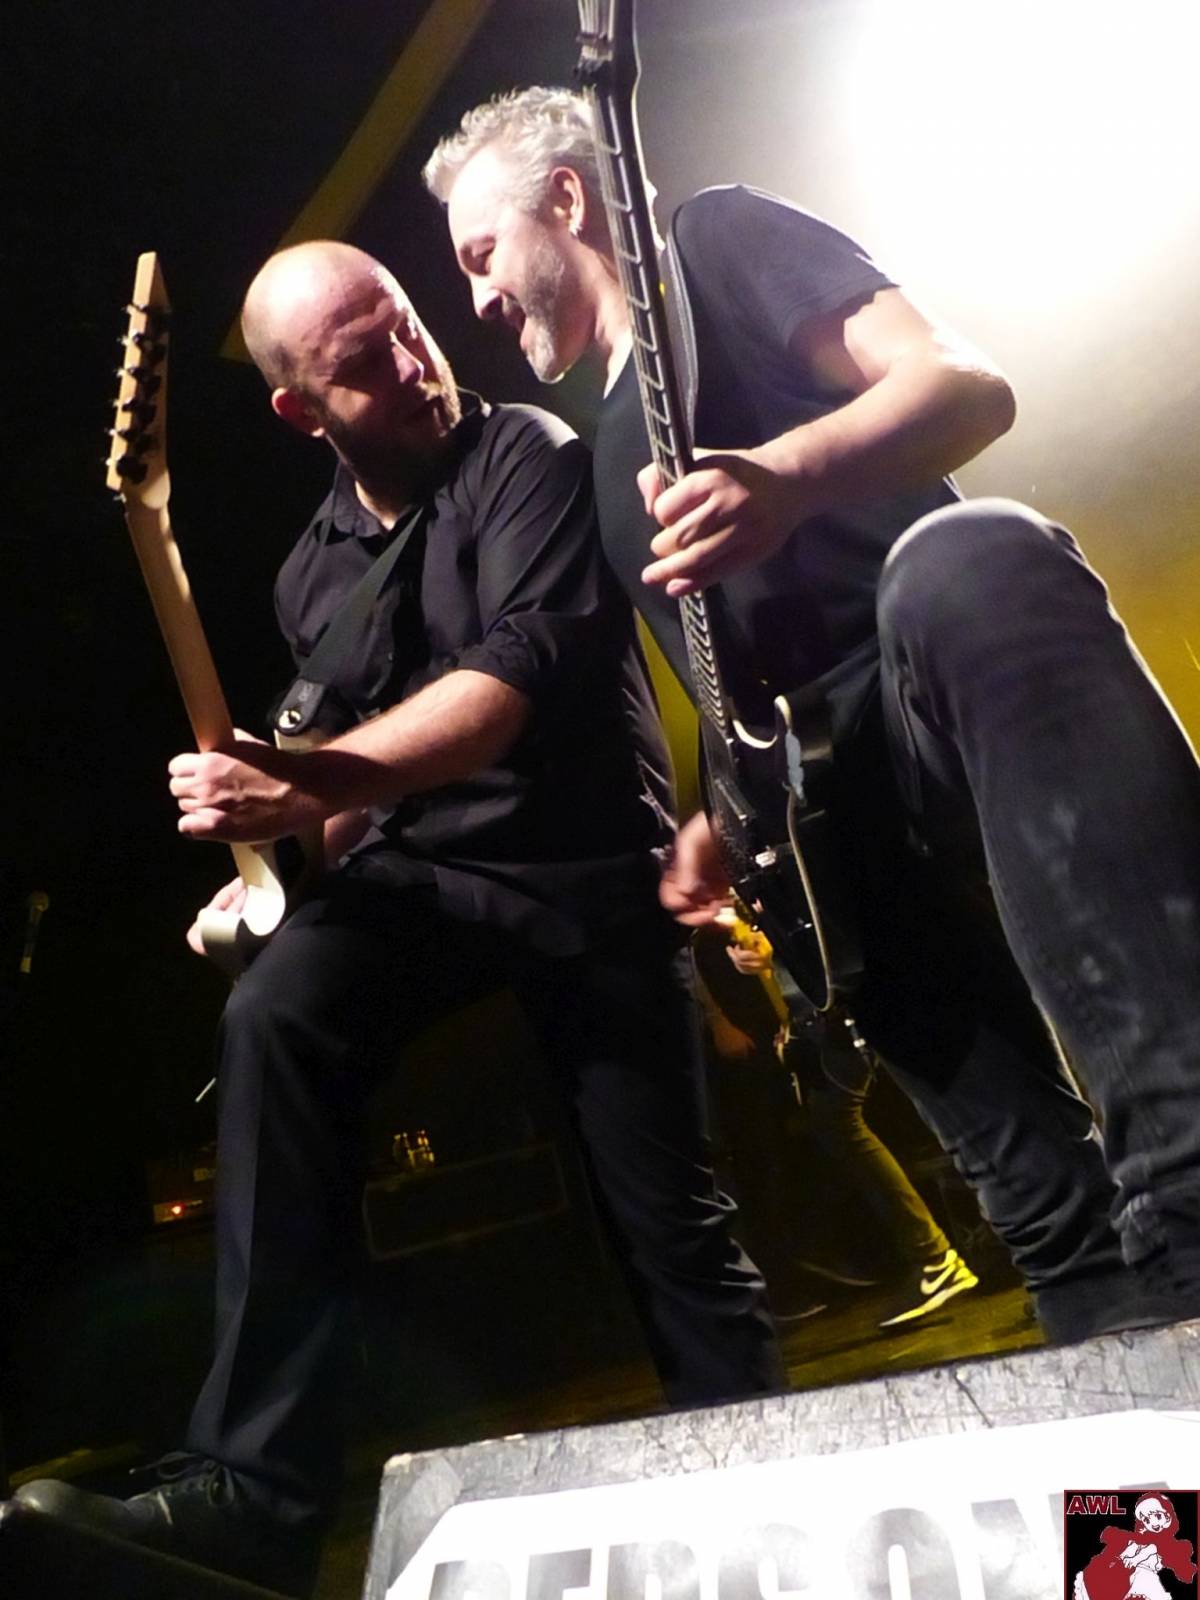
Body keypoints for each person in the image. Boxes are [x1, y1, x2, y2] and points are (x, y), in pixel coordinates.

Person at [10, 241, 782, 1596]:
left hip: (589, 879)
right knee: (278, 1010)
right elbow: (348, 794)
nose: (416, 364)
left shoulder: (529, 455)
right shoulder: (311, 575)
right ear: (298, 407)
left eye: (409, 329)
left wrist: (305, 780)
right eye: (365, 363)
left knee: (673, 1227)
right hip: (425, 886)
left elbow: (507, 688)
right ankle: (256, 1495)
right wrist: (271, 870)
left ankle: (769, 1487)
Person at [423, 87, 1200, 1345]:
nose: (475, 299)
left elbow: (966, 385)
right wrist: (720, 816)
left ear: (565, 200)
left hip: (936, 695)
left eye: (479, 253)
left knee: (975, 556)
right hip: (825, 833)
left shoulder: (714, 244)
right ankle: (1130, 1423)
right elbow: (723, 670)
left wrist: (784, 476)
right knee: (1056, 1231)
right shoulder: (595, 451)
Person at [693, 911, 979, 1328]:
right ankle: (939, 1255)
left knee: (883, 1112)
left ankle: (943, 1255)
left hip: (867, 988)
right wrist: (779, 982)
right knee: (838, 1120)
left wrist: (779, 954)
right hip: (838, 1000)